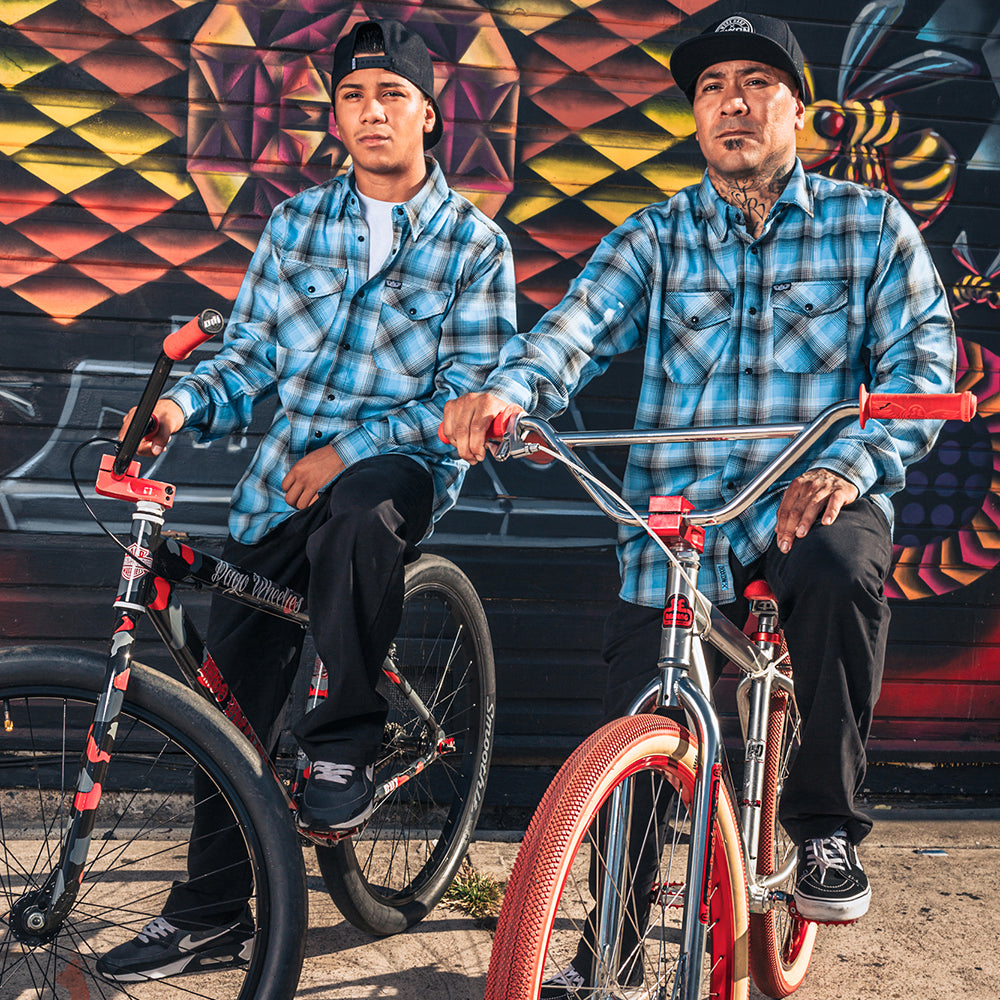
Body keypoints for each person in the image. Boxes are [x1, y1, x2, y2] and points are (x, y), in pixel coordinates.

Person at [442, 10, 955, 994]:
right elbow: (572, 330)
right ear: (696, 118)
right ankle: (613, 947)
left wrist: (851, 462)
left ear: (798, 110)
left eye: (757, 83)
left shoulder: (868, 226)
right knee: (636, 714)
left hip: (811, 496)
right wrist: (508, 394)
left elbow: (922, 364)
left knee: (841, 568)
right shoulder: (655, 235)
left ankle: (823, 829)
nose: (732, 102)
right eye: (712, 87)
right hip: (678, 523)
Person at [99, 18, 516, 982]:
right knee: (229, 696)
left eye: (392, 96)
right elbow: (251, 357)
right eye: (353, 98)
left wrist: (346, 451)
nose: (372, 113)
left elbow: (463, 394)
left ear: (429, 114)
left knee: (360, 516)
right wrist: (178, 407)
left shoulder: (474, 245)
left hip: (397, 469)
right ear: (335, 117)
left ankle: (342, 747)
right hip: (282, 484)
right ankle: (210, 912)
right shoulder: (297, 226)